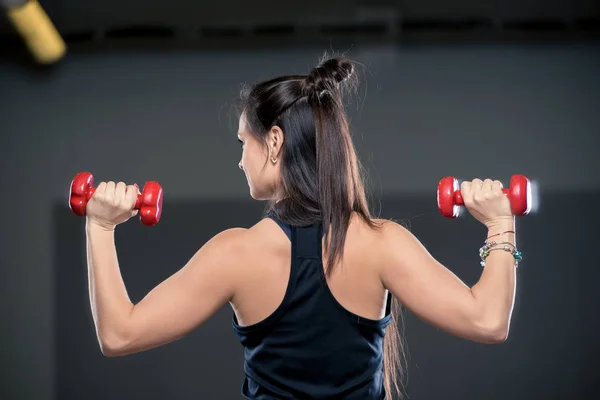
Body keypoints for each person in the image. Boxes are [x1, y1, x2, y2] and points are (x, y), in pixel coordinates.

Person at [83, 56, 518, 400]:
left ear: (273, 142)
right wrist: (500, 224)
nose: (239, 160)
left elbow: (119, 334)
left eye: (243, 143)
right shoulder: (381, 244)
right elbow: (489, 321)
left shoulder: (237, 254)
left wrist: (100, 227)